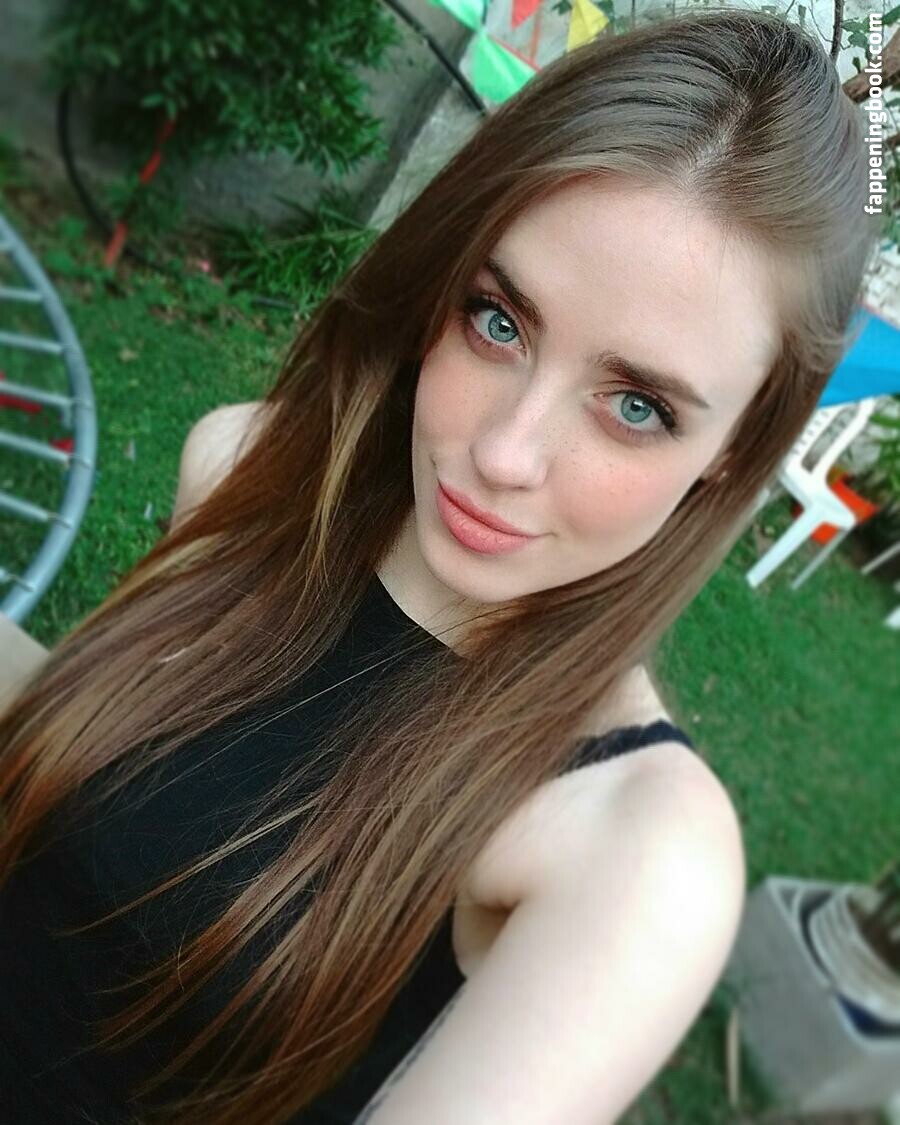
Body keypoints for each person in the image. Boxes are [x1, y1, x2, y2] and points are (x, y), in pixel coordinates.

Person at [0, 7, 878, 1124]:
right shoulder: (239, 470)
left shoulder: (629, 845)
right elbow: (116, 810)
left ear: (733, 452)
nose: (505, 453)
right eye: (498, 320)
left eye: (637, 407)